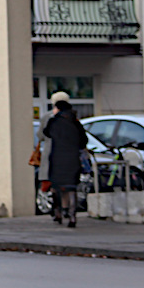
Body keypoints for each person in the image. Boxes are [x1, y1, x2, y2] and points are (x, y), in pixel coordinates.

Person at [41, 91, 88, 227]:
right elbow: (83, 141)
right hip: (72, 159)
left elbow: (46, 133)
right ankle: (72, 216)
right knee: (71, 187)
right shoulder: (75, 122)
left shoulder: (54, 122)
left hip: (57, 159)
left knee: (56, 186)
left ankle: (58, 213)